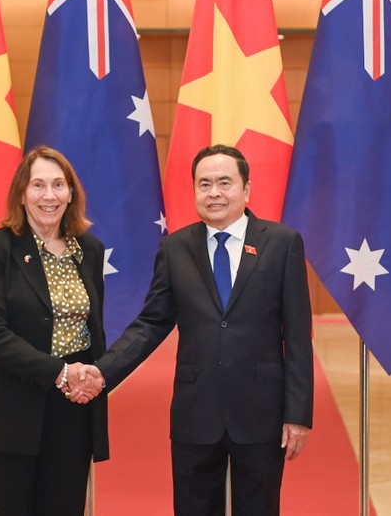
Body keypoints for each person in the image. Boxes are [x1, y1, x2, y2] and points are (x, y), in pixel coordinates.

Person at [73, 144, 314, 516]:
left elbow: (297, 336)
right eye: (204, 184)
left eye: (224, 182)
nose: (214, 192)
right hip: (195, 413)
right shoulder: (175, 248)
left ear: (246, 190)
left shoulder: (282, 244)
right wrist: (104, 372)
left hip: (261, 412)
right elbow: (151, 323)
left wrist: (297, 413)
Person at [0, 145, 107, 515]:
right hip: (6, 408)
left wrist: (89, 375)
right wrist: (60, 372)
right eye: (38, 185)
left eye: (58, 185)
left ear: (71, 193)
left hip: (71, 411)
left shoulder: (90, 249)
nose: (49, 196)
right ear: (21, 193)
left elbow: (92, 327)